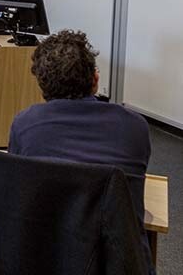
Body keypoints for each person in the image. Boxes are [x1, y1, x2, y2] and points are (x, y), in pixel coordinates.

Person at [8, 30, 153, 267]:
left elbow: (18, 188)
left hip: (46, 259)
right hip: (116, 262)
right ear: (95, 80)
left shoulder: (25, 124)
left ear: (42, 86)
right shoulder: (135, 127)